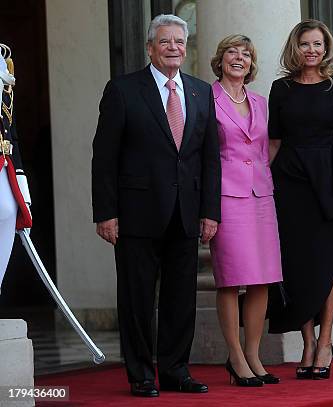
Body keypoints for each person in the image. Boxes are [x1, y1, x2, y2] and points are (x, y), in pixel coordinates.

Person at [91, 14, 221, 397]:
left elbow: (209, 158)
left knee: (182, 299)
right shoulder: (123, 90)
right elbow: (104, 157)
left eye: (179, 42)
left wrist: (209, 211)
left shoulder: (200, 92)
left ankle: (176, 370)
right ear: (150, 48)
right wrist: (105, 213)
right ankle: (141, 375)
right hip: (135, 215)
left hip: (186, 213)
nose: (173, 48)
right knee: (137, 299)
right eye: (165, 42)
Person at [267, 19, 333, 380]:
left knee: (325, 262)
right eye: (305, 44)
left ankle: (326, 341)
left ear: (326, 48)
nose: (312, 50)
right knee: (295, 263)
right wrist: (261, 184)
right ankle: (307, 342)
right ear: (296, 47)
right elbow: (273, 141)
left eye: (318, 44)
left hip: (327, 178)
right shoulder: (281, 88)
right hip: (288, 180)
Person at [208, 34, 282, 387]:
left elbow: (268, 147)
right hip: (225, 196)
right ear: (220, 60)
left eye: (246, 55)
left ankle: (254, 353)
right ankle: (235, 356)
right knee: (232, 278)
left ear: (252, 64)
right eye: (232, 53)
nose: (239, 58)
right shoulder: (206, 98)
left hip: (261, 196)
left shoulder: (261, 102)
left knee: (262, 278)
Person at [0, 43, 32, 294]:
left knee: (9, 212)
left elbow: (9, 129)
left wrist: (23, 188)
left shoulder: (2, 60)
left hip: (3, 161)